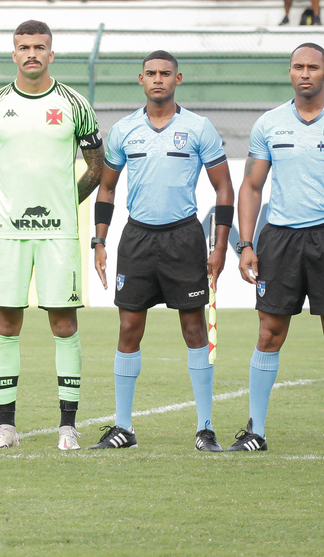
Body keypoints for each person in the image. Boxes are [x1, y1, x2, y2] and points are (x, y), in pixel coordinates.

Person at [228, 42, 324, 456]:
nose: (305, 73)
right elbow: (252, 187)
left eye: (313, 67)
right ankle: (255, 431)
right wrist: (246, 244)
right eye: (298, 66)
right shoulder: (269, 124)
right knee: (268, 333)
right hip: (279, 240)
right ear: (290, 72)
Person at [90, 51, 234, 452]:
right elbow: (107, 187)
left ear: (177, 79)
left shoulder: (198, 128)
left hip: (183, 238)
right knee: (128, 329)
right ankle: (123, 427)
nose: (158, 79)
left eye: (165, 73)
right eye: (151, 73)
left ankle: (205, 428)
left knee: (194, 329)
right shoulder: (124, 130)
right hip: (137, 238)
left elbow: (224, 187)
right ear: (141, 79)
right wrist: (99, 240)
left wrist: (220, 245)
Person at [0, 20, 105, 451]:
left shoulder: (75, 104)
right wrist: (14, 198)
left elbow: (97, 166)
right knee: (5, 324)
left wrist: (65, 201)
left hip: (59, 233)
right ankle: (6, 428)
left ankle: (68, 427)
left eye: (39, 46)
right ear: (13, 53)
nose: (31, 53)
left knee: (64, 324)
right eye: (24, 47)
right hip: (7, 232)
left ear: (52, 53)